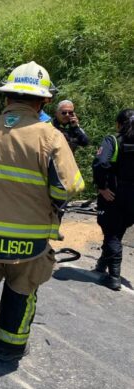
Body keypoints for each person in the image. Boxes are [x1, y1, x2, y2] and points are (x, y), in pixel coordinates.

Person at [0, 61, 85, 382]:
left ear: (7, 97)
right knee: (20, 292)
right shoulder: (51, 137)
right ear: (44, 101)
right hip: (29, 243)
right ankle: (9, 349)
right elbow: (70, 186)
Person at [92, 109, 134, 291]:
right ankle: (102, 263)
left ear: (119, 124)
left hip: (114, 193)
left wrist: (102, 187)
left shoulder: (113, 140)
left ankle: (114, 276)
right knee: (118, 229)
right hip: (132, 197)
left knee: (111, 232)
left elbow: (101, 163)